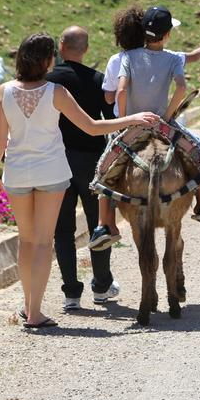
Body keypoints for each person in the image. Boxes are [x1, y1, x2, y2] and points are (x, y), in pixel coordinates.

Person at [0, 33, 158, 329]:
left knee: (26, 242)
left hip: (15, 173)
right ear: (48, 60)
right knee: (42, 243)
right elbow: (92, 128)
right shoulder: (55, 92)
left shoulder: (4, 91)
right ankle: (36, 313)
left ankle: (28, 307)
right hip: (51, 173)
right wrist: (132, 119)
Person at [89, 6, 200, 250]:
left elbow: (119, 91)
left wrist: (128, 119)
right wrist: (169, 114)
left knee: (105, 168)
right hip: (162, 126)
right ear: (167, 34)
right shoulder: (172, 57)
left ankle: (103, 225)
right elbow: (182, 87)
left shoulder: (128, 58)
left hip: (131, 127)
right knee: (196, 147)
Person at [47, 26, 120, 311]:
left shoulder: (49, 81)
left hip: (58, 161)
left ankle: (71, 294)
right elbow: (107, 121)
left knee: (62, 230)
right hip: (92, 162)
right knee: (98, 225)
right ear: (86, 49)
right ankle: (101, 287)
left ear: (61, 46)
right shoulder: (97, 80)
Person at [103, 6, 145, 117]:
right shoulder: (154, 57)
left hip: (125, 120)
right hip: (151, 118)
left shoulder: (115, 60)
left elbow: (109, 99)